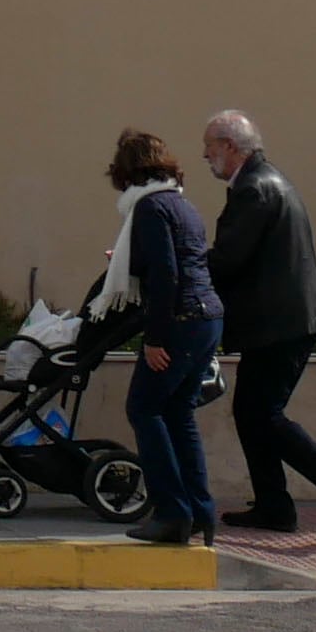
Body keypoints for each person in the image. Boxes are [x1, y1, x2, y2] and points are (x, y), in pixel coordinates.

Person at [206, 110, 316, 539]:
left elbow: (227, 260)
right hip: (285, 321)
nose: (206, 156)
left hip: (280, 324)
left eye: (210, 147)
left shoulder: (253, 189)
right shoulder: (267, 181)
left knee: (261, 413)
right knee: (251, 412)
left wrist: (179, 264)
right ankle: (274, 506)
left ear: (229, 146)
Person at [100, 128, 220, 545]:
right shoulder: (182, 204)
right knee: (178, 412)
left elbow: (168, 274)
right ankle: (201, 512)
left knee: (145, 409)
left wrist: (155, 339)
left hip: (180, 321)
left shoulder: (149, 208)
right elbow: (183, 260)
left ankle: (171, 512)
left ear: (127, 171)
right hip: (207, 319)